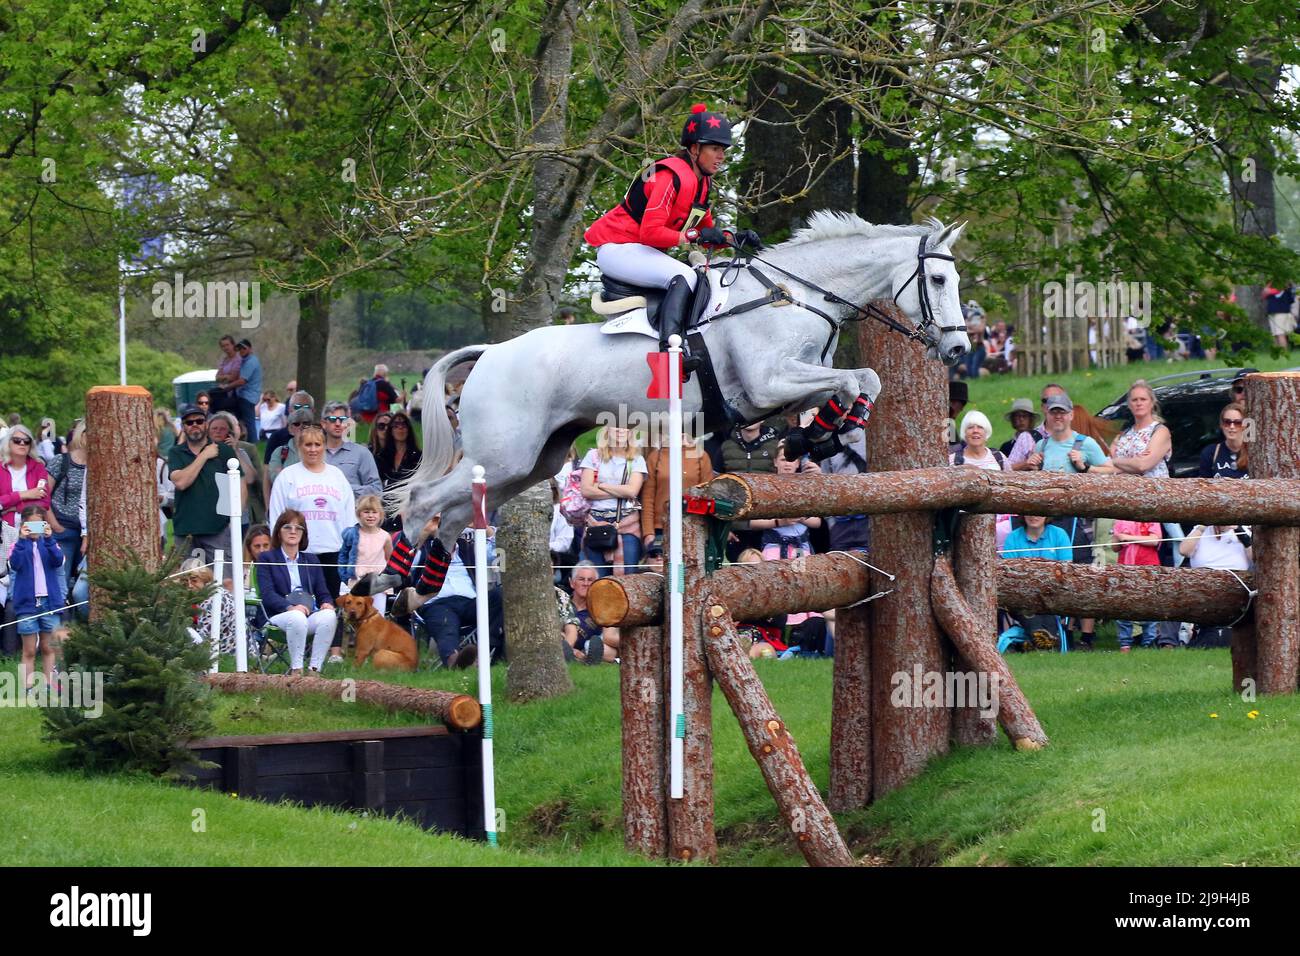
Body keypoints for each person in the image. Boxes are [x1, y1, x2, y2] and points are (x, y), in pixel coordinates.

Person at [584, 102, 761, 356]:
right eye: (715, 148)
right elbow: (651, 233)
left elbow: (707, 231)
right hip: (618, 248)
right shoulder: (670, 176)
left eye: (723, 149)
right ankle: (670, 350)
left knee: (701, 276)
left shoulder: (702, 184)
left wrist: (734, 238)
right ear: (694, 148)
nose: (721, 156)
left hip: (639, 251)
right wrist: (696, 236)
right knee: (685, 276)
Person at [1022, 394, 1112, 649]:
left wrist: (1084, 468)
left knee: (1081, 574)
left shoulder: (1085, 444)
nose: (1058, 416)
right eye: (1054, 412)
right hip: (1050, 521)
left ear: (1071, 415)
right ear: (1048, 416)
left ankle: (1087, 636)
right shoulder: (1042, 446)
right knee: (1056, 572)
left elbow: (1110, 470)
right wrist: (1030, 467)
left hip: (1079, 521)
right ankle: (1063, 631)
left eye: (1062, 412)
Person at [267, 423, 355, 622]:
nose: (313, 449)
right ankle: (303, 645)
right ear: (299, 447)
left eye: (317, 444)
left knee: (333, 602)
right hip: (301, 551)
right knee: (302, 602)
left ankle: (334, 649)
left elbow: (349, 514)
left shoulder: (336, 475)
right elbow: (276, 516)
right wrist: (282, 547)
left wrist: (348, 548)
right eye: (307, 445)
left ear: (324, 446)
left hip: (333, 549)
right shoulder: (287, 476)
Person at [255, 509, 338, 674]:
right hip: (278, 615)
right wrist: (290, 607)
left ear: (303, 533)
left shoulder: (311, 560)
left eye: (298, 528)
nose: (293, 531)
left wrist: (326, 603)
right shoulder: (267, 558)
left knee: (329, 616)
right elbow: (267, 593)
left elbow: (322, 591)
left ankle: (314, 670)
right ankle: (296, 670)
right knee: (297, 616)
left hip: (307, 613)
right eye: (287, 527)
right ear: (279, 532)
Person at [169, 406, 243, 569]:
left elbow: (239, 485)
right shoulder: (176, 453)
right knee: (187, 585)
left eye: (199, 421)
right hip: (185, 531)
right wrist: (204, 456)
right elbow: (181, 482)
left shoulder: (223, 450)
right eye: (189, 422)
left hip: (218, 529)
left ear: (206, 424)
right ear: (183, 426)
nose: (194, 424)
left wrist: (234, 519)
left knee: (225, 582)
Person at [8, 504, 64, 692]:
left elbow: (58, 561)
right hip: (27, 605)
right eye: (30, 525)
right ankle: (28, 688)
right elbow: (15, 564)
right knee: (29, 650)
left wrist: (49, 539)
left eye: (38, 525)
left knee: (49, 648)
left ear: (45, 524)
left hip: (49, 602)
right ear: (23, 525)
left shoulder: (50, 543)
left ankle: (49, 686)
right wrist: (23, 540)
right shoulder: (17, 546)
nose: (34, 530)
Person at [579, 425, 647, 576]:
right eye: (616, 426)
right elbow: (586, 490)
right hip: (595, 522)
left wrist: (601, 485)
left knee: (627, 578)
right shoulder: (593, 456)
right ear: (607, 430)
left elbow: (632, 491)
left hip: (626, 523)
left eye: (625, 427)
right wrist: (620, 491)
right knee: (597, 580)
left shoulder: (636, 459)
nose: (620, 430)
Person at [639, 428, 713, 556]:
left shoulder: (701, 456)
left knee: (692, 570)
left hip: (693, 527)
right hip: (661, 527)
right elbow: (648, 498)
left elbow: (708, 495)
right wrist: (648, 532)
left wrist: (707, 529)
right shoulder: (655, 457)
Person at [1179, 524, 1253, 649]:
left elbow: (1256, 558)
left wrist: (1243, 536)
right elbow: (1183, 551)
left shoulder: (1243, 531)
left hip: (1236, 583)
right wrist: (1201, 527)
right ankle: (1168, 643)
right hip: (1201, 582)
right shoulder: (1200, 530)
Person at [748, 443, 823, 559]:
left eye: (791, 459)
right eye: (783, 459)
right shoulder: (766, 487)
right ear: (775, 462)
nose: (787, 463)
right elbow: (753, 523)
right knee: (773, 576)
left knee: (800, 575)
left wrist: (800, 517)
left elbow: (817, 522)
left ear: (797, 463)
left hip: (800, 547)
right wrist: (779, 522)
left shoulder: (806, 488)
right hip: (773, 546)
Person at [1, 425, 53, 581]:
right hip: (4, 527)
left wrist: (13, 506)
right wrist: (25, 494)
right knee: (5, 573)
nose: (22, 444)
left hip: (34, 524)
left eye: (26, 441)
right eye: (17, 440)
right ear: (8, 443)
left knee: (31, 572)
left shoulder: (39, 468)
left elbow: (44, 502)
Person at [45, 420, 86, 604]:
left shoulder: (100, 466)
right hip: (63, 529)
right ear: (82, 435)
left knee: (82, 587)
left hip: (88, 533)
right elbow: (43, 496)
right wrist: (54, 525)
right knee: (60, 584)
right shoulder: (61, 461)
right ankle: (61, 627)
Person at [1111, 519, 1162, 652]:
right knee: (1124, 606)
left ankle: (1149, 642)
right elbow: (1115, 547)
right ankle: (1125, 643)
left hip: (1148, 566)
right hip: (1125, 567)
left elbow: (1155, 540)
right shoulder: (1120, 520)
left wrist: (1128, 537)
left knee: (1148, 605)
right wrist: (1118, 538)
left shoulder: (1151, 518)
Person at [339, 495, 393, 613]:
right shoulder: (352, 534)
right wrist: (344, 576)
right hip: (356, 580)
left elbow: (389, 558)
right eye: (366, 512)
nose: (370, 515)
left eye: (374, 512)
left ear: (380, 515)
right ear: (359, 514)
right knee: (355, 615)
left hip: (378, 582)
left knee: (377, 615)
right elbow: (343, 556)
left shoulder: (385, 536)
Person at [319, 401, 382, 499]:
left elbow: (377, 491)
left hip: (354, 511)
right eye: (332, 419)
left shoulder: (362, 453)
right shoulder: (314, 453)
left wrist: (345, 488)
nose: (338, 423)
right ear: (323, 423)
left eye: (343, 419)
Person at [565, 560, 619, 663]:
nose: (586, 584)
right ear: (572, 583)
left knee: (596, 646)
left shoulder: (602, 606)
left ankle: (586, 657)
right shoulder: (562, 603)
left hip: (591, 646)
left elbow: (609, 637)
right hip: (565, 643)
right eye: (581, 579)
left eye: (590, 580)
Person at [264, 407, 314, 504]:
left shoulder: (318, 451)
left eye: (306, 424)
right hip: (286, 505)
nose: (301, 427)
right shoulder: (279, 452)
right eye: (297, 424)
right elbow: (276, 479)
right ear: (290, 429)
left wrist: (286, 473)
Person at [1198, 402, 1249, 479]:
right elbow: (1204, 486)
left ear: (1244, 426)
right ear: (1221, 424)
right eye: (1227, 422)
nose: (1232, 426)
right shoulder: (1210, 453)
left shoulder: (1254, 453)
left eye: (1237, 423)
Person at [263, 390, 314, 464]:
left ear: (312, 410)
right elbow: (267, 470)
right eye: (297, 407)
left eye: (306, 407)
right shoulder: (276, 437)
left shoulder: (320, 436)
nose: (302, 410)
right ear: (289, 410)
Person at [229, 338, 263, 440]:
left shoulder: (251, 362)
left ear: (250, 349)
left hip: (247, 396)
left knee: (249, 423)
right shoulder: (244, 361)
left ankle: (253, 444)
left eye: (244, 348)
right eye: (239, 349)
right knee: (240, 421)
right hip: (245, 396)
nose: (241, 351)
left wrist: (227, 388)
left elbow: (242, 381)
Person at [212, 335, 242, 414]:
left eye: (227, 345)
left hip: (236, 393)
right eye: (223, 346)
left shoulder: (238, 359)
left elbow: (233, 377)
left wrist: (224, 377)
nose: (225, 348)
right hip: (224, 391)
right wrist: (226, 376)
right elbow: (217, 377)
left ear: (233, 345)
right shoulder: (224, 360)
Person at [1262, 282, 1296, 349]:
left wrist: (1269, 285)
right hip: (1273, 313)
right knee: (1275, 334)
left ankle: (1283, 353)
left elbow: (1267, 291)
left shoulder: (1284, 289)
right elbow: (1264, 295)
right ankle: (1277, 353)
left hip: (1281, 314)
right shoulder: (1273, 290)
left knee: (1280, 334)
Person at [947, 381, 969, 455]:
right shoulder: (948, 422)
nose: (962, 409)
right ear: (951, 403)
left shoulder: (949, 422)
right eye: (961, 404)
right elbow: (955, 448)